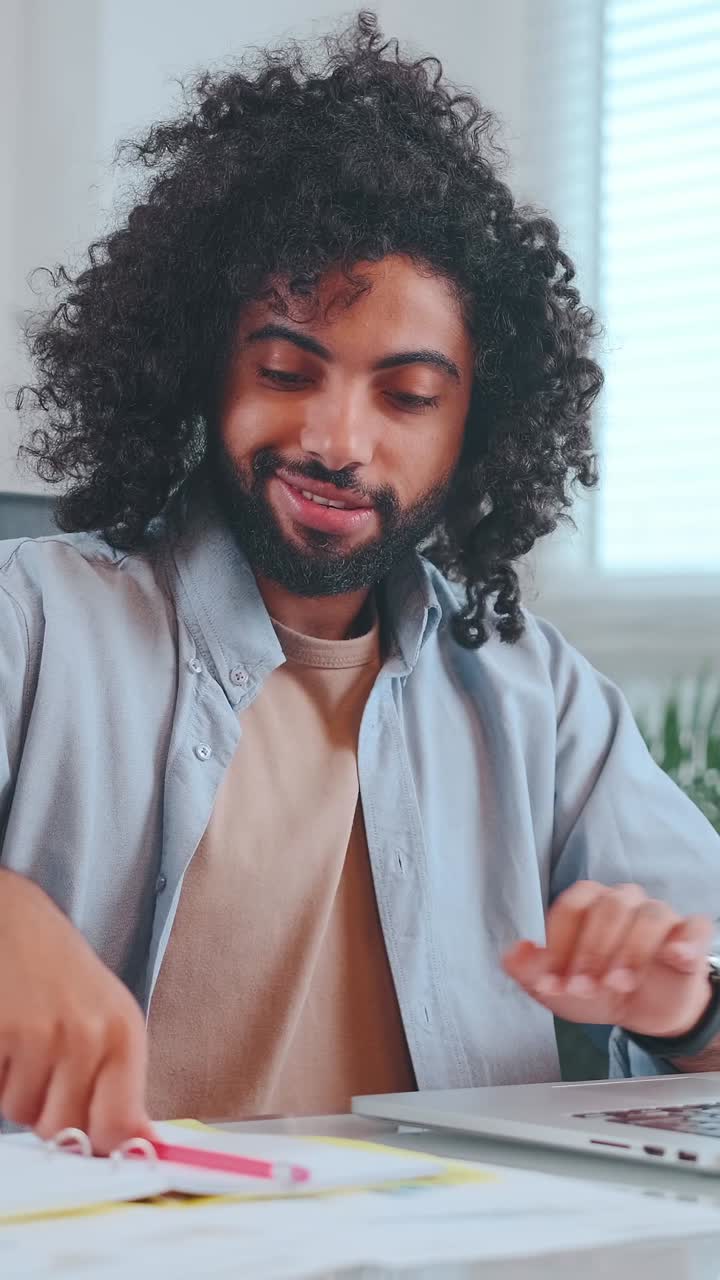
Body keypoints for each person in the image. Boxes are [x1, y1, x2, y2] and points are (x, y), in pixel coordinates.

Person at [1, 13, 719, 1155]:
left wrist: (690, 1003)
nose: (338, 439)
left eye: (407, 395)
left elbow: (710, 971)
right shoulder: (35, 618)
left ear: (479, 428)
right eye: (286, 368)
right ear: (204, 362)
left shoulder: (538, 699)